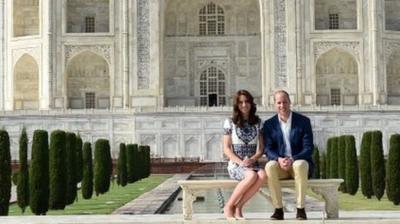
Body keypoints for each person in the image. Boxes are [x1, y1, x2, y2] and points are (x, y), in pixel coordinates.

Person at [263, 90, 314, 220]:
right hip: (281, 166)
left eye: (284, 102)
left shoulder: (303, 121)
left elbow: (308, 148)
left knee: (300, 164)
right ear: (274, 104)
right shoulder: (269, 124)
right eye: (279, 102)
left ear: (290, 102)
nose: (282, 105)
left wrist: (293, 159)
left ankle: (301, 209)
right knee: (270, 166)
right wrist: (278, 159)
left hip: (297, 164)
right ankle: (278, 209)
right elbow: (267, 149)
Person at [223, 89, 267, 220]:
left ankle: (239, 206)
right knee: (252, 175)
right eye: (241, 102)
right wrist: (240, 162)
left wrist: (252, 159)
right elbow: (226, 148)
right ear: (237, 105)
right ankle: (229, 206)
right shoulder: (230, 122)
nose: (244, 105)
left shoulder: (258, 123)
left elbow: (261, 149)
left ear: (251, 104)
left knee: (263, 175)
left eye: (247, 101)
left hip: (252, 163)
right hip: (236, 165)